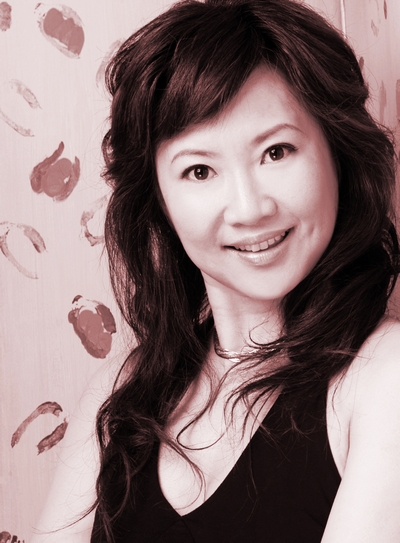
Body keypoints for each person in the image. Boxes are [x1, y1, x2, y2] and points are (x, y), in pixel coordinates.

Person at [32, 0, 400, 541]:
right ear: (159, 201)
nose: (249, 209)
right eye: (200, 170)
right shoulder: (121, 389)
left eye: (277, 151)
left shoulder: (383, 375)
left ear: (337, 154)